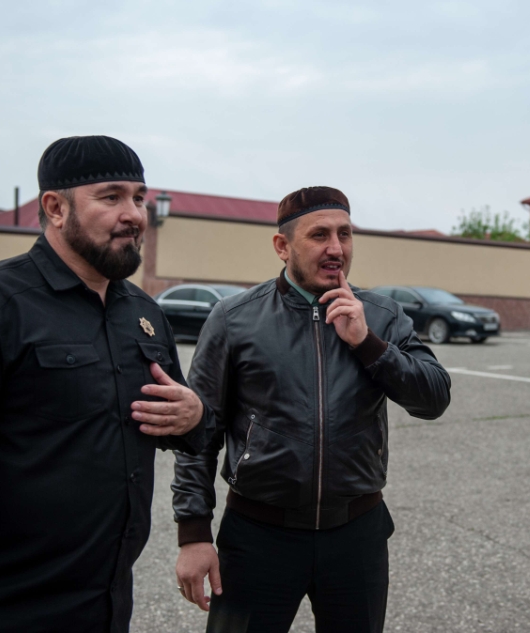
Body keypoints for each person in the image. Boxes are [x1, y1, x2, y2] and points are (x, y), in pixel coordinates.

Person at [0, 136, 211, 633]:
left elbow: (175, 420)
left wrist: (193, 417)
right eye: (111, 197)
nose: (134, 214)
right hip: (0, 607)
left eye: (139, 197)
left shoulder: (144, 314)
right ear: (56, 208)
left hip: (107, 601)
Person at [171, 186, 451, 633]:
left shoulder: (382, 316)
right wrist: (193, 533)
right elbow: (198, 432)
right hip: (258, 535)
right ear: (282, 246)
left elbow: (434, 399)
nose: (336, 248)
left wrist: (367, 343)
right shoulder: (234, 319)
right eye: (319, 235)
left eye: (345, 234)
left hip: (356, 535)